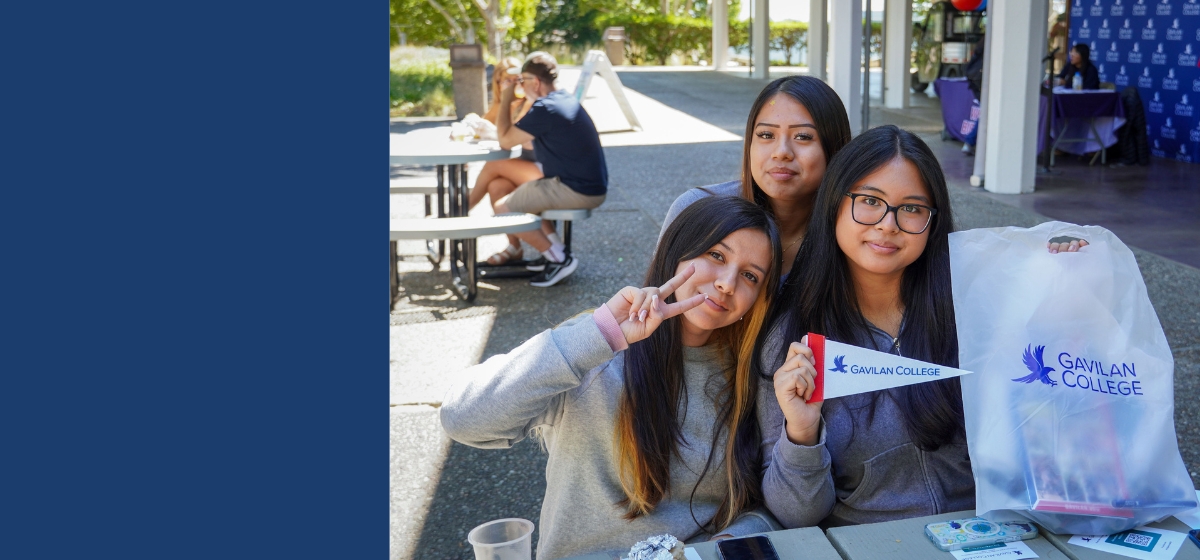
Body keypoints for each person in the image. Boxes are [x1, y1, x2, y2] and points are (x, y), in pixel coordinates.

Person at [755, 125, 1085, 529]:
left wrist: (1067, 290)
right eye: (870, 201)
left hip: (993, 537)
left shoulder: (977, 308)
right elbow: (796, 514)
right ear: (834, 204)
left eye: (912, 208)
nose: (888, 224)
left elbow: (1054, 437)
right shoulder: (794, 338)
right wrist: (802, 432)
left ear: (933, 221)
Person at [441, 196, 783, 559]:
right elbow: (462, 418)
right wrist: (599, 335)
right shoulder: (594, 349)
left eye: (750, 276)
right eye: (717, 255)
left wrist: (725, 543)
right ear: (677, 251)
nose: (728, 283)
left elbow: (767, 507)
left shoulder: (750, 375)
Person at [660, 76, 853, 277]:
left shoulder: (856, 232)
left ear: (834, 149)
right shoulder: (695, 209)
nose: (781, 152)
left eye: (803, 137)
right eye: (766, 135)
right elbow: (655, 297)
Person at [493, 52, 609, 287]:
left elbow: (505, 141)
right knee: (500, 186)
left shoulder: (545, 108)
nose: (521, 86)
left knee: (502, 209)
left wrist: (505, 98)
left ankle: (559, 258)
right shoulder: (563, 99)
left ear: (535, 82)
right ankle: (554, 253)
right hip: (587, 186)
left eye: (522, 81)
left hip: (575, 189)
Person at [468, 57, 541, 266]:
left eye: (516, 79)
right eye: (505, 80)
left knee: (495, 165)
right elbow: (485, 126)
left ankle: (457, 212)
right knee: (496, 185)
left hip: (542, 171)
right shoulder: (503, 105)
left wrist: (510, 99)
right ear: (498, 83)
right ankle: (514, 246)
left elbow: (506, 141)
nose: (512, 84)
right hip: (525, 167)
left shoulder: (530, 102)